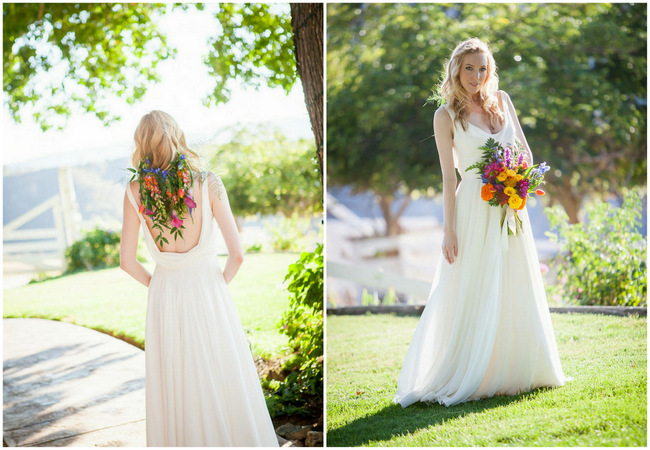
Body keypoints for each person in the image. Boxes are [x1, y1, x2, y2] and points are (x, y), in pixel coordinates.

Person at [394, 38, 571, 408]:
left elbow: (525, 152)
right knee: (474, 284)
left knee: (513, 281)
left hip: (511, 205)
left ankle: (520, 368)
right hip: (473, 208)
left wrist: (515, 179)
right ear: (456, 70)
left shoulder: (502, 101)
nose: (477, 76)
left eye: (483, 68)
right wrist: (448, 229)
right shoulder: (446, 115)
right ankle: (474, 369)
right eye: (469, 68)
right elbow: (448, 178)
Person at [120, 110, 279, 446]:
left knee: (176, 378)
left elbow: (126, 261)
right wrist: (214, 285)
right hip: (209, 289)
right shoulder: (208, 182)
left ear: (141, 143)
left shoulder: (136, 190)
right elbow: (237, 255)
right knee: (221, 371)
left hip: (165, 294)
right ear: (176, 136)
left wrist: (161, 284)